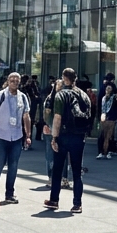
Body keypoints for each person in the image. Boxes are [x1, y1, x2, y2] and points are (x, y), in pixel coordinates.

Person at [45, 68, 91, 213]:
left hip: (64, 136)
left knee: (58, 169)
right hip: (79, 136)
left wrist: (54, 137)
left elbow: (57, 118)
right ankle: (77, 203)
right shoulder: (84, 95)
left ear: (65, 78)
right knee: (77, 171)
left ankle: (54, 200)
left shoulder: (61, 95)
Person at [0, 72, 31, 204]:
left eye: (17, 81)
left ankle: (10, 193)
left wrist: (28, 135)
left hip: (16, 137)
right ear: (8, 81)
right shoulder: (0, 96)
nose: (14, 82)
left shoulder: (22, 97)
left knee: (13, 166)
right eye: (12, 80)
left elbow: (26, 117)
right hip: (1, 135)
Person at [97, 83, 117, 158]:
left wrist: (115, 115)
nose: (107, 90)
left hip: (112, 118)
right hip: (104, 117)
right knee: (102, 135)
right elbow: (101, 108)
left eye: (109, 88)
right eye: (106, 88)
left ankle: (107, 151)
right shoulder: (103, 98)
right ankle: (101, 152)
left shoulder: (115, 97)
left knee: (109, 136)